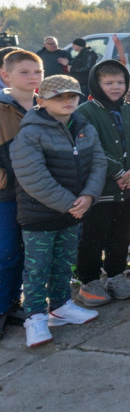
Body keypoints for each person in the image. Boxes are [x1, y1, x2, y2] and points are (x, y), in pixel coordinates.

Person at [9, 75, 106, 346]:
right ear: (41, 101)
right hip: (40, 216)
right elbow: (32, 177)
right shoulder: (30, 132)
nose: (67, 101)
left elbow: (98, 162)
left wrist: (89, 195)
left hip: (73, 212)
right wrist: (70, 204)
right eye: (59, 97)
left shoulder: (84, 127)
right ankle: (36, 316)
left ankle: (61, 305)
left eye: (72, 96)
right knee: (38, 268)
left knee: (63, 263)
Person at [74, 60, 130, 307]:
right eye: (108, 83)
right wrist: (119, 171)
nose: (115, 87)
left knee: (121, 235)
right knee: (93, 236)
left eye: (120, 82)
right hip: (100, 191)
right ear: (96, 84)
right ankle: (89, 281)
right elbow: (88, 146)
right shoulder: (84, 112)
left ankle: (116, 275)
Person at [0, 49, 42, 333]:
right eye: (24, 72)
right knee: (5, 252)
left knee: (28, 253)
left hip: (39, 194)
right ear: (6, 75)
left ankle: (15, 303)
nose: (32, 77)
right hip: (7, 194)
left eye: (37, 72)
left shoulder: (46, 106)